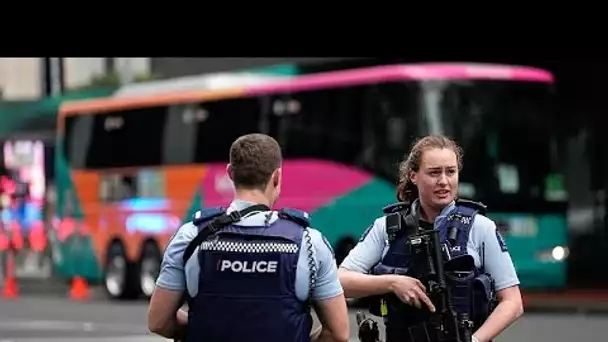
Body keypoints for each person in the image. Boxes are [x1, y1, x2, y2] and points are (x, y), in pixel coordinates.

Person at [148, 133, 349, 342]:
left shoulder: (190, 236)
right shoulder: (310, 243)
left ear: (230, 173)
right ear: (277, 177)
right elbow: (338, 333)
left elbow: (159, 321)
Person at [338, 134, 524, 342]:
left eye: (451, 172)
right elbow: (340, 281)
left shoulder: (480, 227)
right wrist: (392, 283)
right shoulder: (387, 228)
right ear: (413, 176)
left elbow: (512, 302)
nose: (444, 181)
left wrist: (474, 340)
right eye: (434, 173)